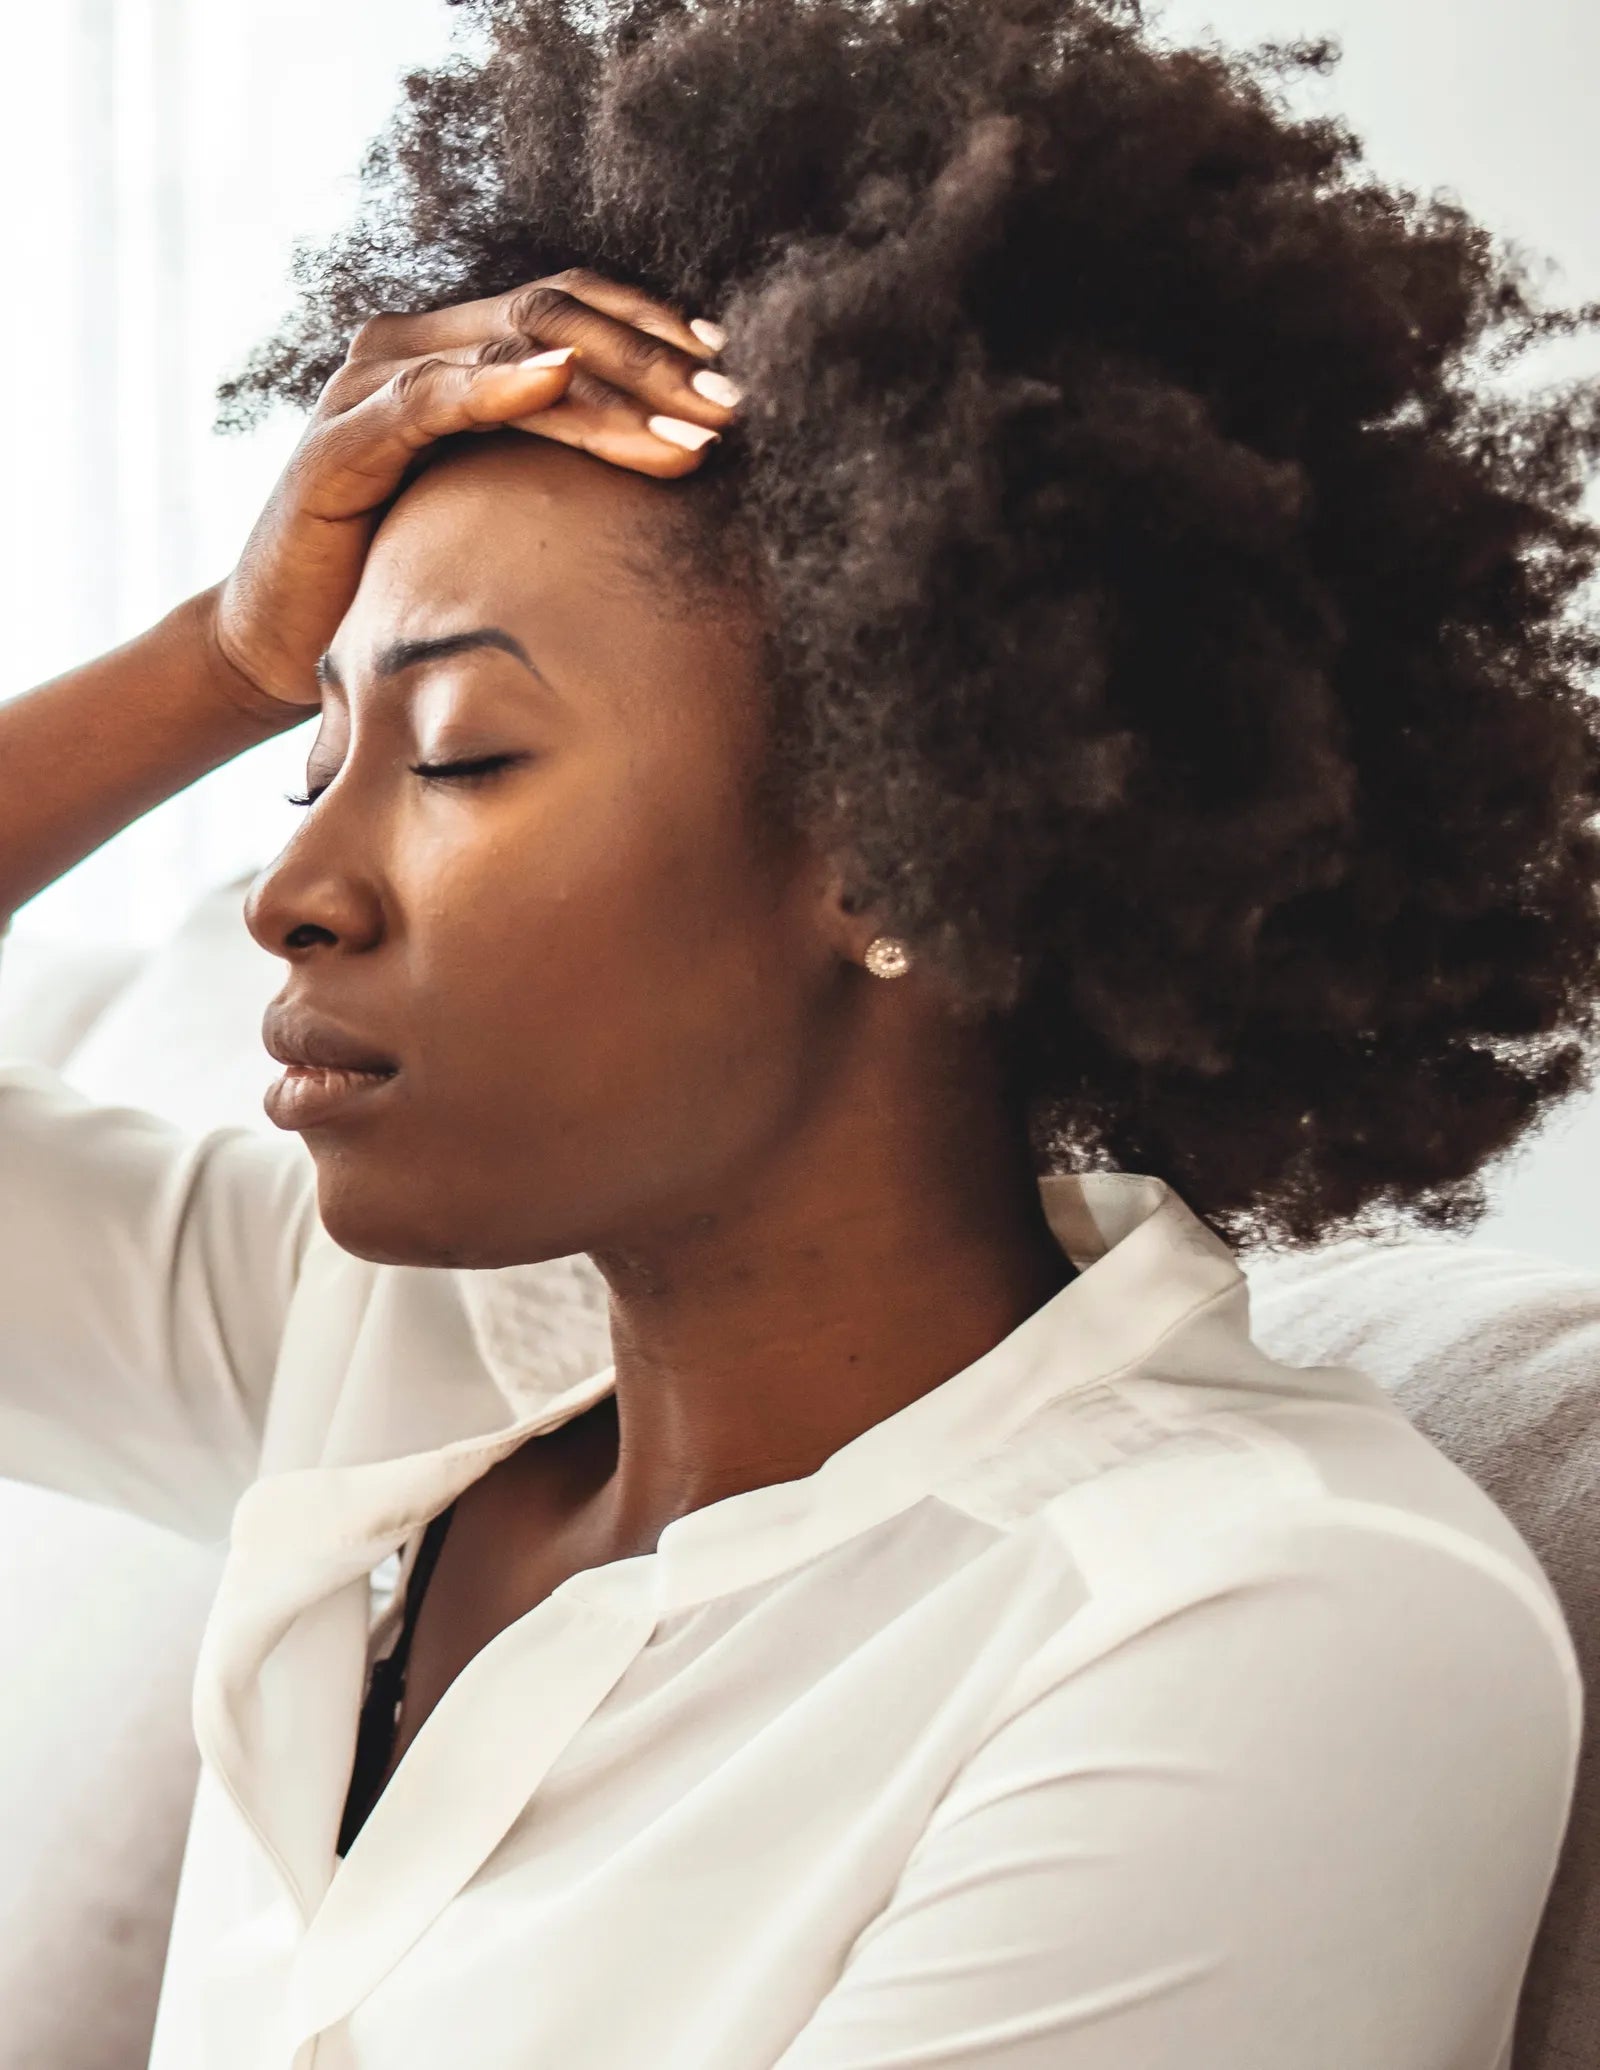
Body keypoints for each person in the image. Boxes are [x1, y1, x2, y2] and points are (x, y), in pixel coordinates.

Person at [1, 1, 1596, 2064]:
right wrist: (207, 659)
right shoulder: (388, 1364)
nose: (291, 891)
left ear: (899, 847)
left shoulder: (1251, 1626)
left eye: (464, 751)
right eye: (307, 755)